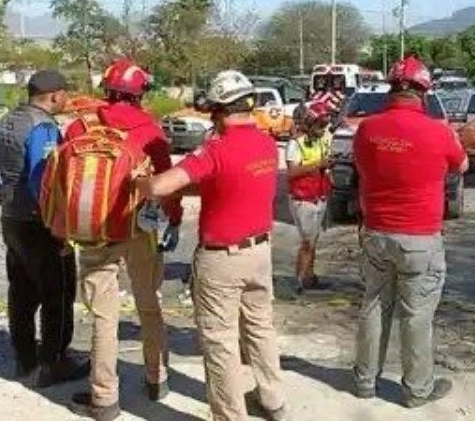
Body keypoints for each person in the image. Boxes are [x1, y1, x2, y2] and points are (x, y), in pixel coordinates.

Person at [137, 70, 285, 421]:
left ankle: (229, 415)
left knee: (219, 342)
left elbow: (160, 187)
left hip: (222, 260)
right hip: (260, 253)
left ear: (219, 111)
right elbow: (225, 185)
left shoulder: (214, 150)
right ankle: (274, 401)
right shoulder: (266, 144)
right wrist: (183, 187)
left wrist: (142, 182)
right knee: (260, 328)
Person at [66, 59, 182, 420]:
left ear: (107, 89)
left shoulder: (78, 126)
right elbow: (169, 184)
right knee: (149, 305)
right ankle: (156, 378)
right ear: (140, 93)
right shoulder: (151, 131)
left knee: (103, 318)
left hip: (94, 233)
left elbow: (58, 178)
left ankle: (104, 399)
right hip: (139, 231)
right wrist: (173, 221)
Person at [352, 56, 468, 408]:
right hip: (420, 238)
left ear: (391, 89)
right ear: (424, 93)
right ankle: (417, 390)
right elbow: (461, 165)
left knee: (374, 305)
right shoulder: (438, 131)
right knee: (416, 315)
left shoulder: (368, 129)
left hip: (376, 233)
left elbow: (361, 165)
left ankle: (364, 382)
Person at [0, 70, 88, 387]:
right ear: (55, 95)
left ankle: (25, 358)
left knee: (21, 290)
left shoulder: (6, 121)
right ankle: (54, 362)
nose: (66, 100)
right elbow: (41, 177)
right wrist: (57, 224)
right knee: (58, 292)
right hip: (38, 221)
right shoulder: (42, 127)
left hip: (11, 219)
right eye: (65, 95)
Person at [285, 100, 332, 292]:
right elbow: (291, 172)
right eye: (320, 125)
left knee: (314, 240)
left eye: (325, 125)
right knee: (307, 242)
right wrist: (318, 165)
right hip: (302, 198)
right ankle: (299, 281)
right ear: (309, 124)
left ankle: (310, 277)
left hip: (318, 195)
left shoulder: (320, 140)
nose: (323, 129)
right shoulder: (295, 144)